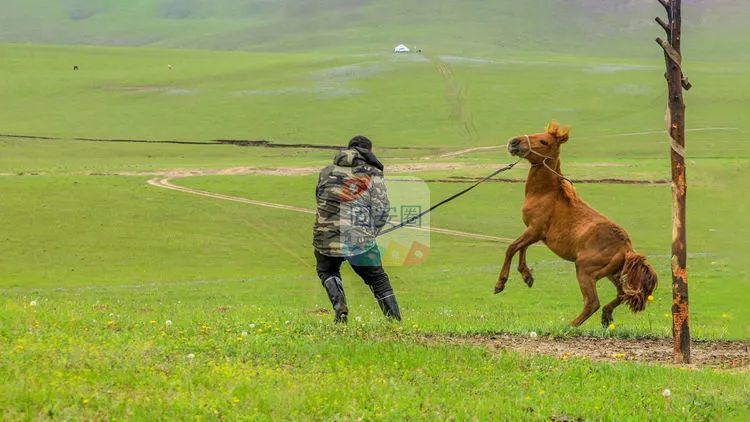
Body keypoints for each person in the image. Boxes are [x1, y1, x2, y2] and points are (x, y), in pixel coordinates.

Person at [313, 136, 401, 323]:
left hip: (324, 236)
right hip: (358, 239)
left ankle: (340, 305)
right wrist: (371, 233)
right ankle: (394, 323)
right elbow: (381, 209)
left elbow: (319, 198)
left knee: (327, 270)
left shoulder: (326, 171)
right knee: (377, 280)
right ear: (369, 151)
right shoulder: (372, 174)